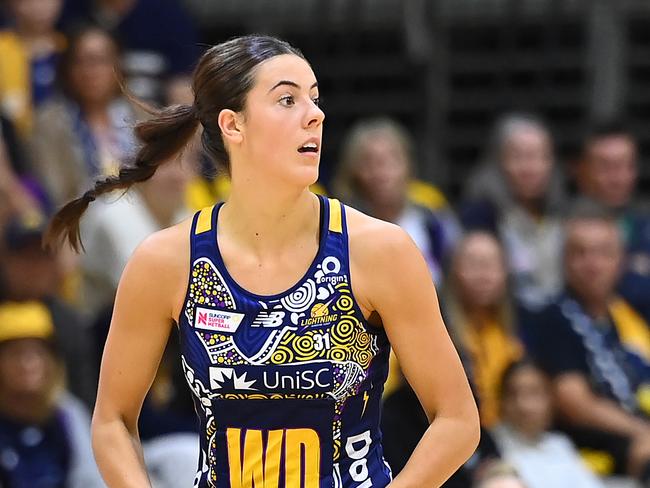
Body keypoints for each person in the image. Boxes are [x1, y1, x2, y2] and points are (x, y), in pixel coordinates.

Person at [45, 35, 480, 487]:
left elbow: (457, 419)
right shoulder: (166, 260)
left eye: (314, 98)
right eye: (288, 100)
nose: (315, 115)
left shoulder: (380, 250)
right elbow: (112, 420)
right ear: (234, 125)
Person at [526, 206, 650, 484]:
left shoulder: (626, 314)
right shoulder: (553, 317)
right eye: (580, 253)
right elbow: (575, 402)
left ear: (620, 261)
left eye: (603, 253)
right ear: (564, 260)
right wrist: (643, 432)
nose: (592, 264)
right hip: (594, 450)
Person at [334, 117, 460, 285]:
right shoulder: (338, 225)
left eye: (391, 159)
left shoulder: (431, 220)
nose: (381, 171)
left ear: (408, 164)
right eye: (369, 161)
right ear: (352, 171)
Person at [461, 113, 566, 307]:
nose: (529, 168)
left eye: (537, 156)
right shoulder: (479, 217)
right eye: (518, 157)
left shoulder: (561, 214)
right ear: (498, 161)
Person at [29, 25, 138, 207]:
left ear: (118, 65)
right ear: (67, 69)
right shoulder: (49, 123)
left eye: (100, 60)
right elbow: (55, 191)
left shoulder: (141, 114)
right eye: (81, 61)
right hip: (80, 217)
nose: (91, 71)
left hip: (142, 215)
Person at [0, 300, 103, 487]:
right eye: (16, 354)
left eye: (37, 353)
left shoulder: (67, 413)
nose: (28, 364)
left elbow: (91, 478)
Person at [491, 359, 605, 488]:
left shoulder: (559, 444)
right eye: (513, 394)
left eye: (534, 393)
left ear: (550, 399)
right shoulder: (491, 447)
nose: (523, 405)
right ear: (500, 400)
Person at [0, 0, 65, 139]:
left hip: (65, 141)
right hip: (15, 141)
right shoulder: (2, 48)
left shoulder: (69, 46)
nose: (40, 6)